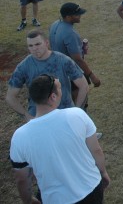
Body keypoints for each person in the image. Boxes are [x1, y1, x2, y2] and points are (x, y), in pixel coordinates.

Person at [9, 75, 109, 204]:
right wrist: (103, 172)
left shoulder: (19, 137)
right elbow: (96, 150)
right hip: (92, 189)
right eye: (60, 88)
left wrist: (28, 200)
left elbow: (22, 178)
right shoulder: (77, 115)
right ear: (53, 97)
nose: (61, 91)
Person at [6, 30, 89, 119]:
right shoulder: (23, 67)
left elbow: (83, 86)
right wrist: (27, 116)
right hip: (39, 117)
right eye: (30, 46)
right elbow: (10, 96)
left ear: (46, 43)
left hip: (65, 114)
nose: (34, 48)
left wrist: (76, 111)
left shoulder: (63, 60)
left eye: (38, 44)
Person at [49, 2, 101, 107]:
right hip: (71, 72)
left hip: (57, 69)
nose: (80, 16)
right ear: (68, 17)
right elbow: (78, 59)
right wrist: (92, 76)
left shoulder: (54, 25)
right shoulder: (70, 33)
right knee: (80, 102)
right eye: (77, 14)